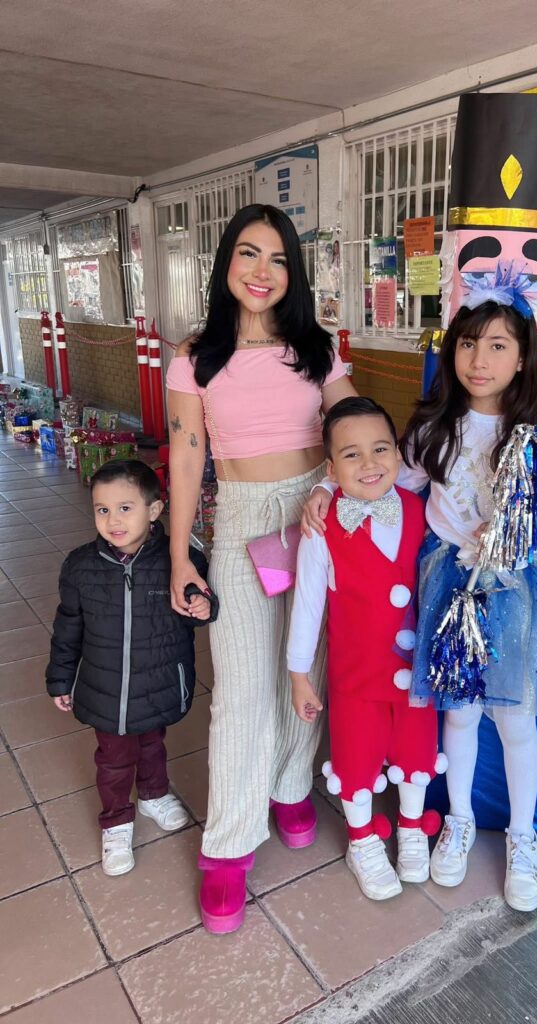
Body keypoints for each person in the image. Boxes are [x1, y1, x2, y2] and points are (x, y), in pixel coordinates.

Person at [304, 292, 537, 913]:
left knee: (516, 722)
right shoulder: (435, 425)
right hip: (447, 586)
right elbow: (385, 475)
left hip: (516, 592)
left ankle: (522, 838)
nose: (479, 361)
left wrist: (517, 537)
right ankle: (457, 821)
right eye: (467, 344)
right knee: (457, 714)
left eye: (497, 346)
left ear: (522, 358)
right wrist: (329, 484)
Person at [165, 204, 355, 934]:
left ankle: (290, 786)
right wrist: (181, 556)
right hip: (243, 517)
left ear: (293, 273)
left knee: (306, 666)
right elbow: (187, 457)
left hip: (315, 515)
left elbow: (353, 427)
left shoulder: (316, 349)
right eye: (249, 254)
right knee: (242, 688)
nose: (262, 271)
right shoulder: (194, 357)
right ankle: (228, 846)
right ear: (226, 263)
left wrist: (338, 486)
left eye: (278, 259)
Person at [287, 397, 442, 900]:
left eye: (380, 449)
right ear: (331, 469)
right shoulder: (322, 525)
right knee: (355, 755)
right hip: (355, 672)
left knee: (417, 748)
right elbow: (308, 603)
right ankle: (362, 840)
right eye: (351, 454)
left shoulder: (419, 509)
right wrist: (298, 674)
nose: (369, 463)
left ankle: (412, 828)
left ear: (398, 454)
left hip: (416, 669)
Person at [46, 460, 214, 877]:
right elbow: (67, 627)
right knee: (115, 759)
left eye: (125, 508)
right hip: (105, 689)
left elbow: (201, 607)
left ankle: (154, 795)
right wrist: (60, 678)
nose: (113, 520)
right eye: (102, 509)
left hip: (158, 680)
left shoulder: (181, 560)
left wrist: (203, 606)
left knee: (153, 743)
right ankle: (116, 821)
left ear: (154, 510)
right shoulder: (81, 566)